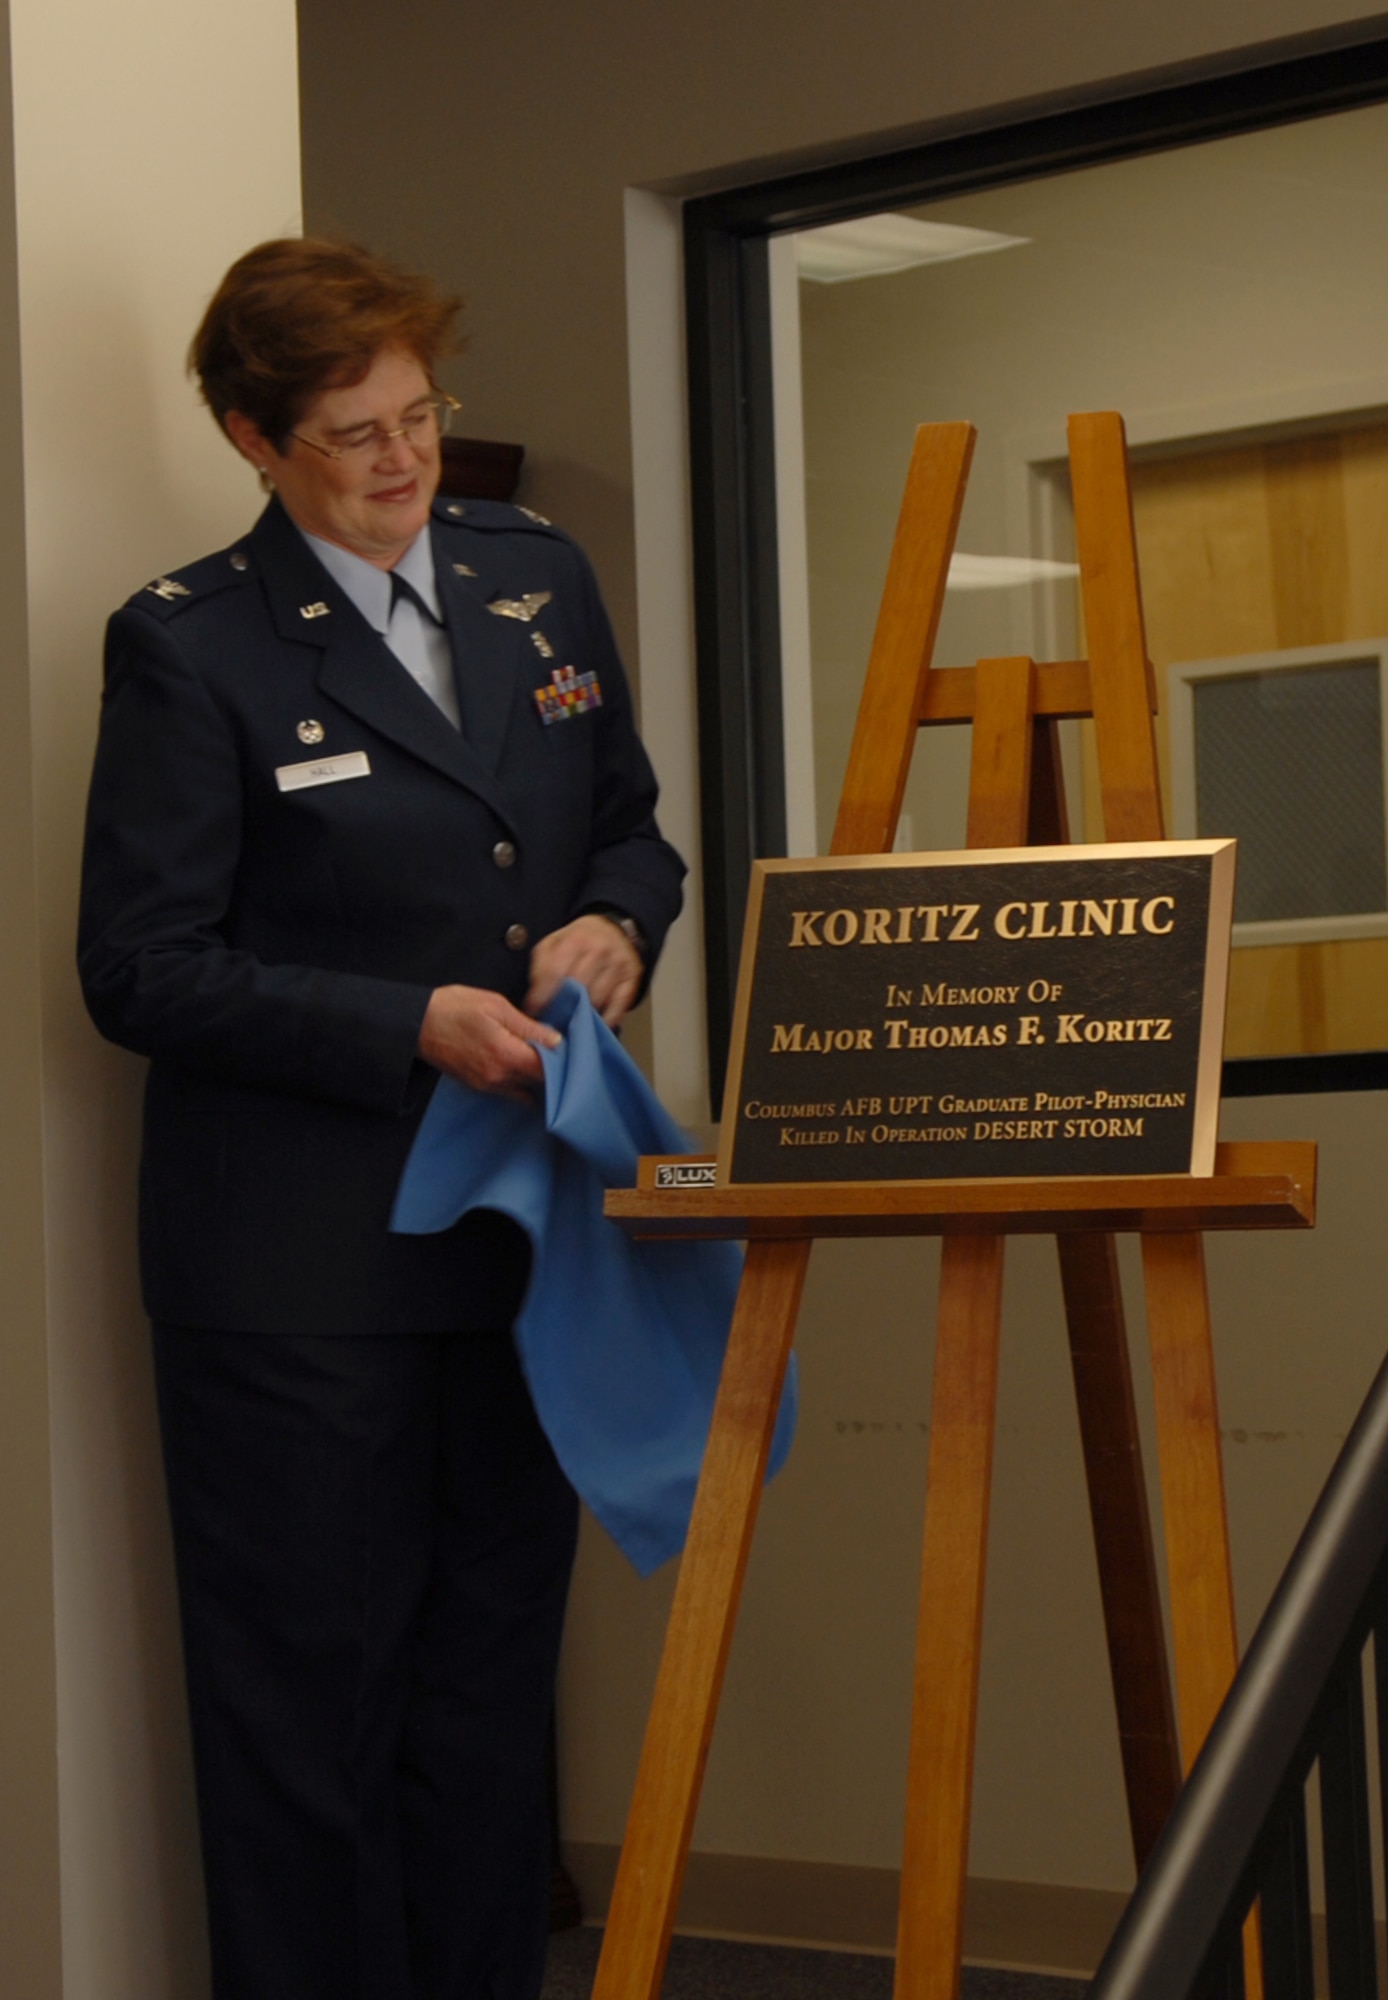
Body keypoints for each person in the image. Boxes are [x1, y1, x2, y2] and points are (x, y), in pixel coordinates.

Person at [77, 236, 686, 2000]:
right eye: (353, 434)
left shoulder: (536, 578)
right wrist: (400, 1020)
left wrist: (617, 924)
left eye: (419, 416)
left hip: (513, 1245)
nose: (403, 461)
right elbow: (138, 969)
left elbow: (629, 827)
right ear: (255, 440)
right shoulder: (187, 647)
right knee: (311, 1722)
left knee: (491, 1693)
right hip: (295, 1281)